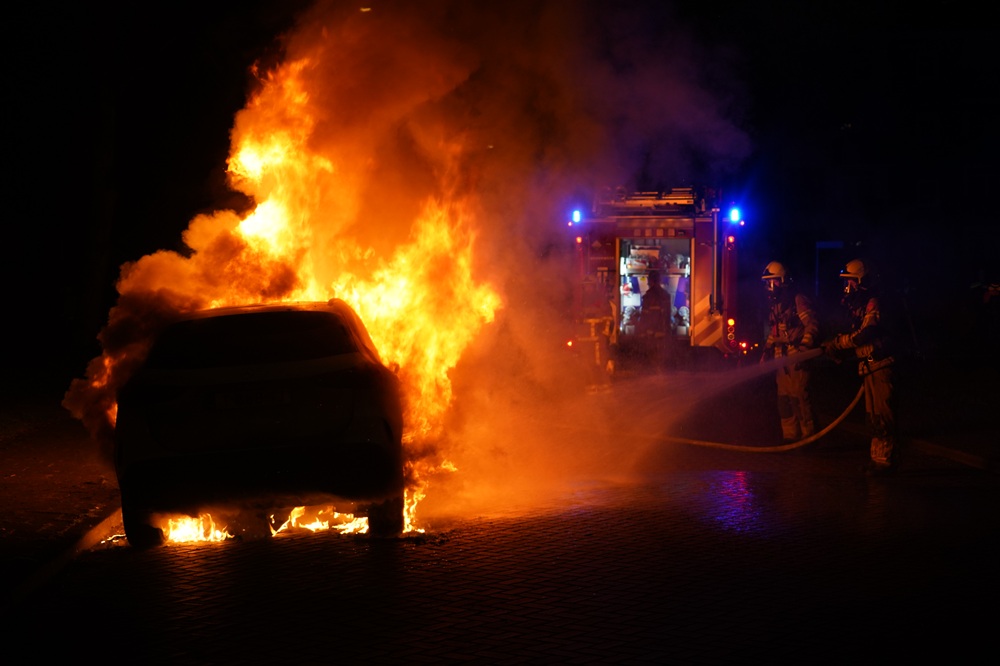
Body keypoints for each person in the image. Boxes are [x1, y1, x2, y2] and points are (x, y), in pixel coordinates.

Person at [822, 258, 897, 476]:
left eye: (851, 281)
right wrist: (838, 350)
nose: (848, 287)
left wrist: (838, 343)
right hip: (869, 367)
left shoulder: (873, 303)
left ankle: (886, 462)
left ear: (862, 281)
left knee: (883, 415)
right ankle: (877, 460)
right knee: (873, 417)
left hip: (880, 366)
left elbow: (865, 334)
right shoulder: (857, 307)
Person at [761, 261, 820, 443]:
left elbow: (812, 325)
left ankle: (808, 438)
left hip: (796, 361)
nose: (770, 286)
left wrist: (804, 349)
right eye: (768, 282)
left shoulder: (797, 301)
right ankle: (790, 437)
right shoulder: (776, 306)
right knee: (784, 402)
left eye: (774, 281)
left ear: (784, 281)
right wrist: (766, 353)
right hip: (782, 363)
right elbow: (774, 333)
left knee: (799, 400)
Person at [640, 270, 672, 366]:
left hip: (651, 333)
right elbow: (668, 315)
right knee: (661, 357)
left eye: (648, 280)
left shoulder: (648, 297)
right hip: (662, 332)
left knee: (651, 358)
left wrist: (641, 332)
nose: (647, 283)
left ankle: (654, 371)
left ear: (651, 281)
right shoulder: (666, 296)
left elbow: (644, 316)